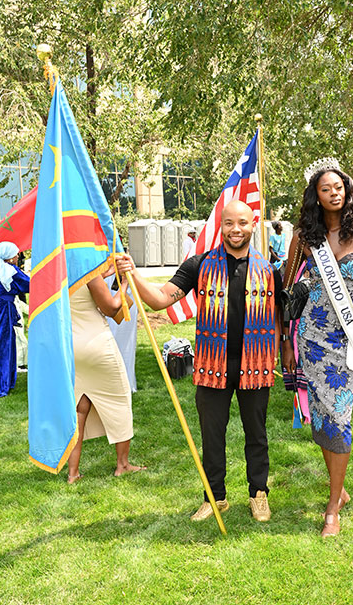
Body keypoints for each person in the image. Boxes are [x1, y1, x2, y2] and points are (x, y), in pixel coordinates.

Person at [116, 200, 282, 523]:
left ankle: (258, 493)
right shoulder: (200, 265)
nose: (236, 229)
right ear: (221, 225)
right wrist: (133, 274)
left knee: (257, 434)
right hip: (213, 366)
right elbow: (161, 300)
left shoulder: (269, 269)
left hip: (255, 365)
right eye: (229, 223)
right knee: (212, 436)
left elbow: (277, 318)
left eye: (243, 223)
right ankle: (214, 497)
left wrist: (276, 354)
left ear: (253, 225)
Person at [282, 162, 353, 538]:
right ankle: (338, 491)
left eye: (338, 187)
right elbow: (285, 291)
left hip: (349, 342)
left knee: (340, 417)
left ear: (347, 190)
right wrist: (285, 341)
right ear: (316, 195)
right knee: (323, 418)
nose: (334, 193)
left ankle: (331, 508)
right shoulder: (304, 236)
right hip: (311, 339)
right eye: (325, 189)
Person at [67, 268, 144, 483]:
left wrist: (107, 272)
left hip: (72, 346)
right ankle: (123, 465)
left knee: (79, 408)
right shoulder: (88, 272)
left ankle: (73, 473)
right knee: (120, 401)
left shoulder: (60, 271)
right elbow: (111, 308)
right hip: (97, 344)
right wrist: (124, 284)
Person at [0, 241, 30, 399]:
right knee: (0, 344)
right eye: (15, 254)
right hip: (2, 309)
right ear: (9, 257)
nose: (17, 256)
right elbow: (28, 284)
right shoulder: (10, 270)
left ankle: (2, 380)